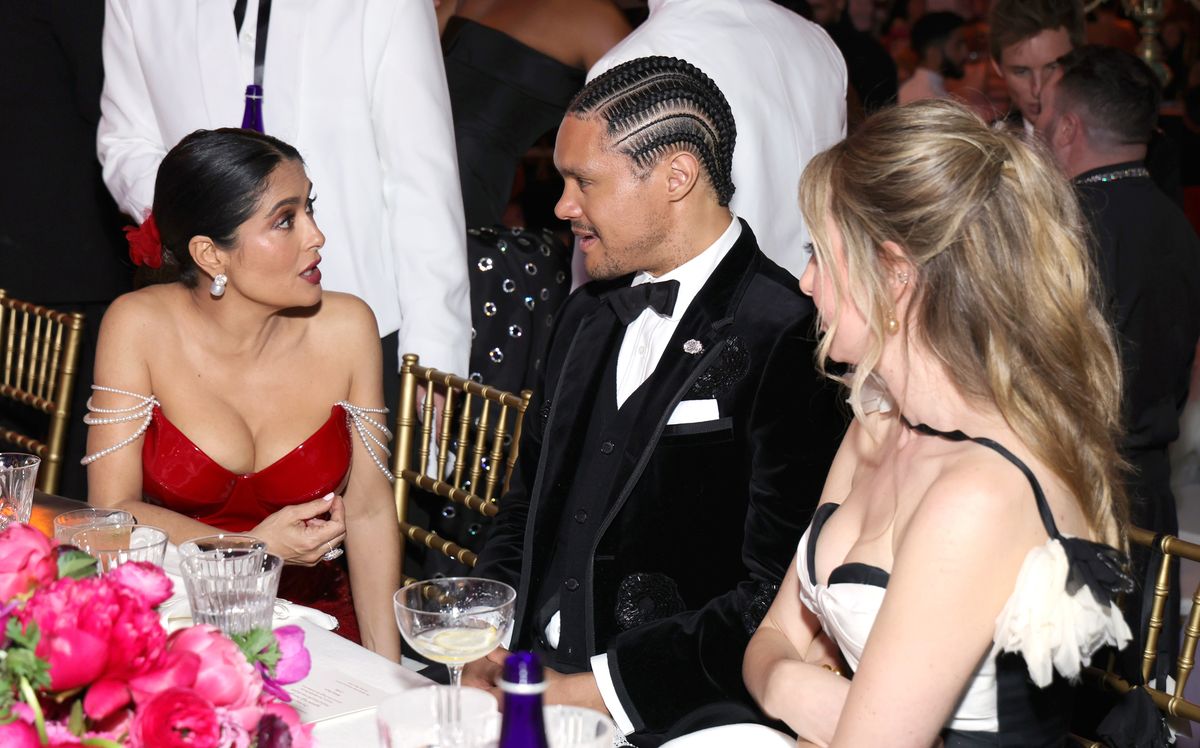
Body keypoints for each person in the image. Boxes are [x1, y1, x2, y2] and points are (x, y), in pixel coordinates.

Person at [465, 57, 845, 747]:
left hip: (674, 716)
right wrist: (486, 638)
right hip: (526, 680)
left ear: (676, 176)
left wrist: (588, 693)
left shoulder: (788, 332)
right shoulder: (584, 314)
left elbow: (775, 592)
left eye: (584, 182)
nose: (562, 206)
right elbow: (524, 505)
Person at [739, 99, 1132, 745]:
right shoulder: (877, 424)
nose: (805, 281)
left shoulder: (977, 494)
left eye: (818, 252)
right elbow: (773, 638)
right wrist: (790, 684)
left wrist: (797, 685)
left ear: (894, 274)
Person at [83, 129, 401, 661]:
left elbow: (368, 513)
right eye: (285, 219)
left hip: (314, 628)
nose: (317, 236)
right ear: (211, 254)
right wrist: (248, 549)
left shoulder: (348, 327)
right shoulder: (140, 325)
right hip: (176, 622)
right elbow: (112, 510)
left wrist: (388, 674)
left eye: (310, 208)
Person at [97, 0, 471, 420]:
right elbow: (126, 142)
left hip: (357, 326)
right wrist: (206, 214)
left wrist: (434, 356)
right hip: (203, 331)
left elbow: (421, 178)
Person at [1038, 44, 1200, 684]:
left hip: (1077, 497)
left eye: (1047, 114)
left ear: (1069, 127)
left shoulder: (1062, 229)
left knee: (1074, 701)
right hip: (1149, 496)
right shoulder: (1177, 225)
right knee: (1140, 694)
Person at [588, 0, 847, 279]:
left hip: (703, 313)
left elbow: (601, 245)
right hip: (821, 300)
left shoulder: (630, 67)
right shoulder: (819, 42)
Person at [0, 0, 131, 498]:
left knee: (25, 449)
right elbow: (109, 99)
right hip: (67, 256)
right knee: (70, 463)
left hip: (32, 252)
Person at [987, 0, 1083, 132]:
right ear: (997, 67)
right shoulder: (987, 149)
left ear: (1079, 59)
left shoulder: (1113, 137)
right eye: (1021, 72)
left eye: (1052, 68)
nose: (1037, 89)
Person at [805, 0, 899, 115]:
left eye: (817, 8)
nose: (808, 16)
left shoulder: (870, 55)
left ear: (840, 3)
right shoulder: (804, 46)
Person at [898, 11, 969, 104]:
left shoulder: (912, 89)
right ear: (933, 52)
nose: (965, 52)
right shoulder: (929, 98)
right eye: (958, 44)